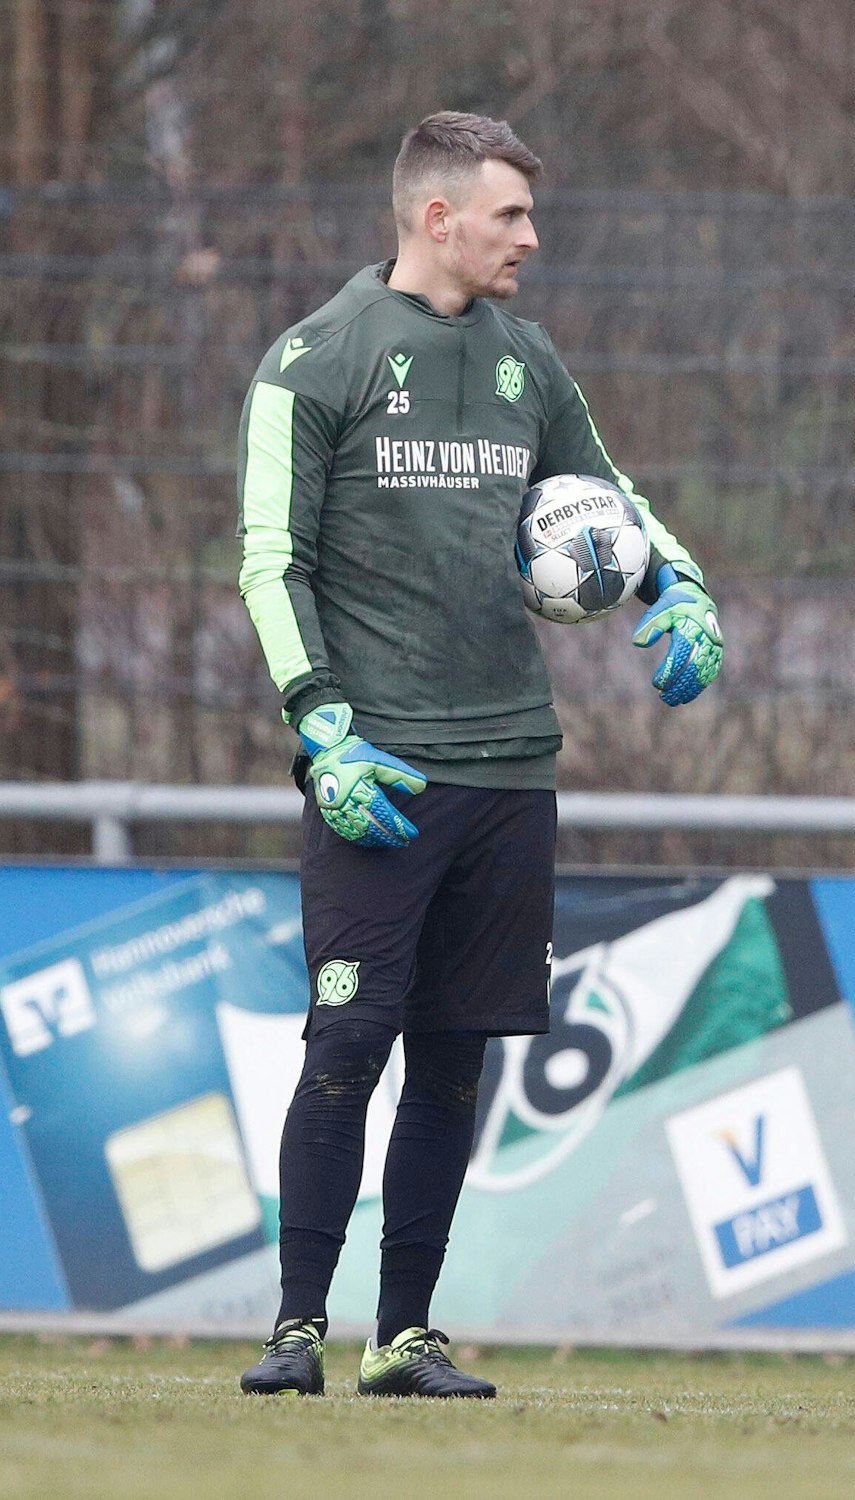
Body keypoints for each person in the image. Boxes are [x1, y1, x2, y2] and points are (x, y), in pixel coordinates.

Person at [233, 111, 722, 1398]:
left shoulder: (528, 361)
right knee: (346, 1047)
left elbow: (608, 500)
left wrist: (680, 587)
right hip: (378, 772)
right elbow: (268, 558)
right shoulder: (314, 360)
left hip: (509, 768)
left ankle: (405, 1336)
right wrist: (317, 721)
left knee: (455, 1059)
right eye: (509, 214)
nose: (531, 237)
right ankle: (295, 1328)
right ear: (436, 217)